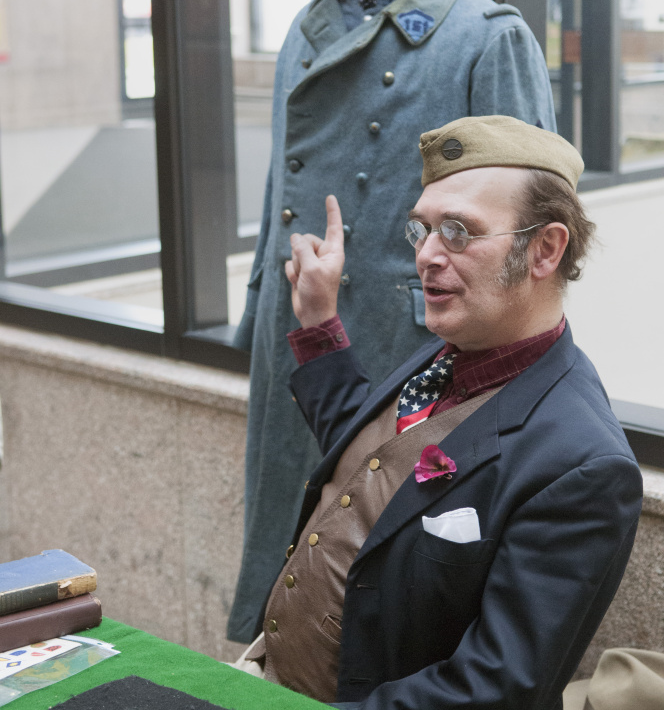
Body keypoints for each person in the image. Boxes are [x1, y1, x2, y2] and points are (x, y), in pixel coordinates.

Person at [228, 0, 558, 641]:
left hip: (413, 340)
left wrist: (516, 361)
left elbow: (530, 217)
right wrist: (262, 307)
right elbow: (281, 193)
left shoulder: (484, 36)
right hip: (301, 323)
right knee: (289, 545)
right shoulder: (307, 31)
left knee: (386, 575)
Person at [238, 116, 642, 710]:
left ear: (545, 249)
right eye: (422, 229)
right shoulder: (447, 354)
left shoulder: (583, 464)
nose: (425, 255)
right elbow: (374, 460)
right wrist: (320, 325)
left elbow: (494, 686)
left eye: (458, 231)